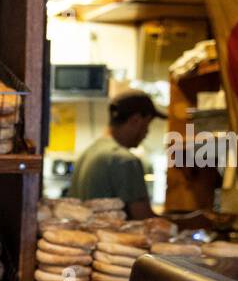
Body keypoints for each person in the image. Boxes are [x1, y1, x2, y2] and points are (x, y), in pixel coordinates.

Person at [69, 90, 166, 220]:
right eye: (147, 125)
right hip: (112, 238)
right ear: (135, 120)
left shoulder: (89, 152)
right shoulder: (125, 160)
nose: (146, 133)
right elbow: (145, 220)